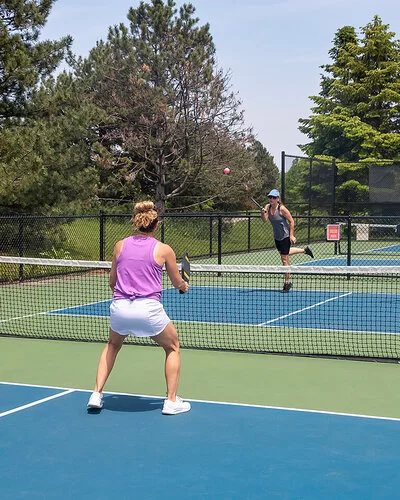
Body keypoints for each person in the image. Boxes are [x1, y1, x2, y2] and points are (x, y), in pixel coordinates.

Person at [87, 200, 191, 415]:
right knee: (172, 347)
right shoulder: (164, 249)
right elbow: (177, 282)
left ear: (136, 223)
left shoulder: (119, 245)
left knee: (112, 345)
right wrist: (184, 286)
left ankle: (96, 394)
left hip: (120, 307)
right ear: (156, 224)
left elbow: (112, 283)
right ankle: (171, 401)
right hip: (148, 309)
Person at [261, 189, 314, 292]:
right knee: (285, 254)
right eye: (270, 197)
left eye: (274, 197)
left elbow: (291, 221)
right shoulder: (267, 207)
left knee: (284, 259)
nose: (271, 199)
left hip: (285, 236)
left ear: (278, 199)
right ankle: (305, 250)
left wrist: (291, 235)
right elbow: (264, 220)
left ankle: (287, 283)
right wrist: (262, 213)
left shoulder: (282, 209)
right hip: (277, 237)